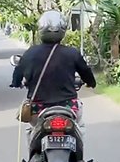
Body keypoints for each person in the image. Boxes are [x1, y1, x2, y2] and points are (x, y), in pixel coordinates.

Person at [10, 10, 96, 146]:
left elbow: (17, 73)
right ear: (62, 30)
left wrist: (16, 83)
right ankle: (79, 161)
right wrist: (91, 83)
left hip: (38, 110)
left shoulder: (31, 52)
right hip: (69, 107)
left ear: (40, 29)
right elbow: (86, 72)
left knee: (31, 129)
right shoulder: (72, 53)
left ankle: (33, 160)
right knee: (80, 128)